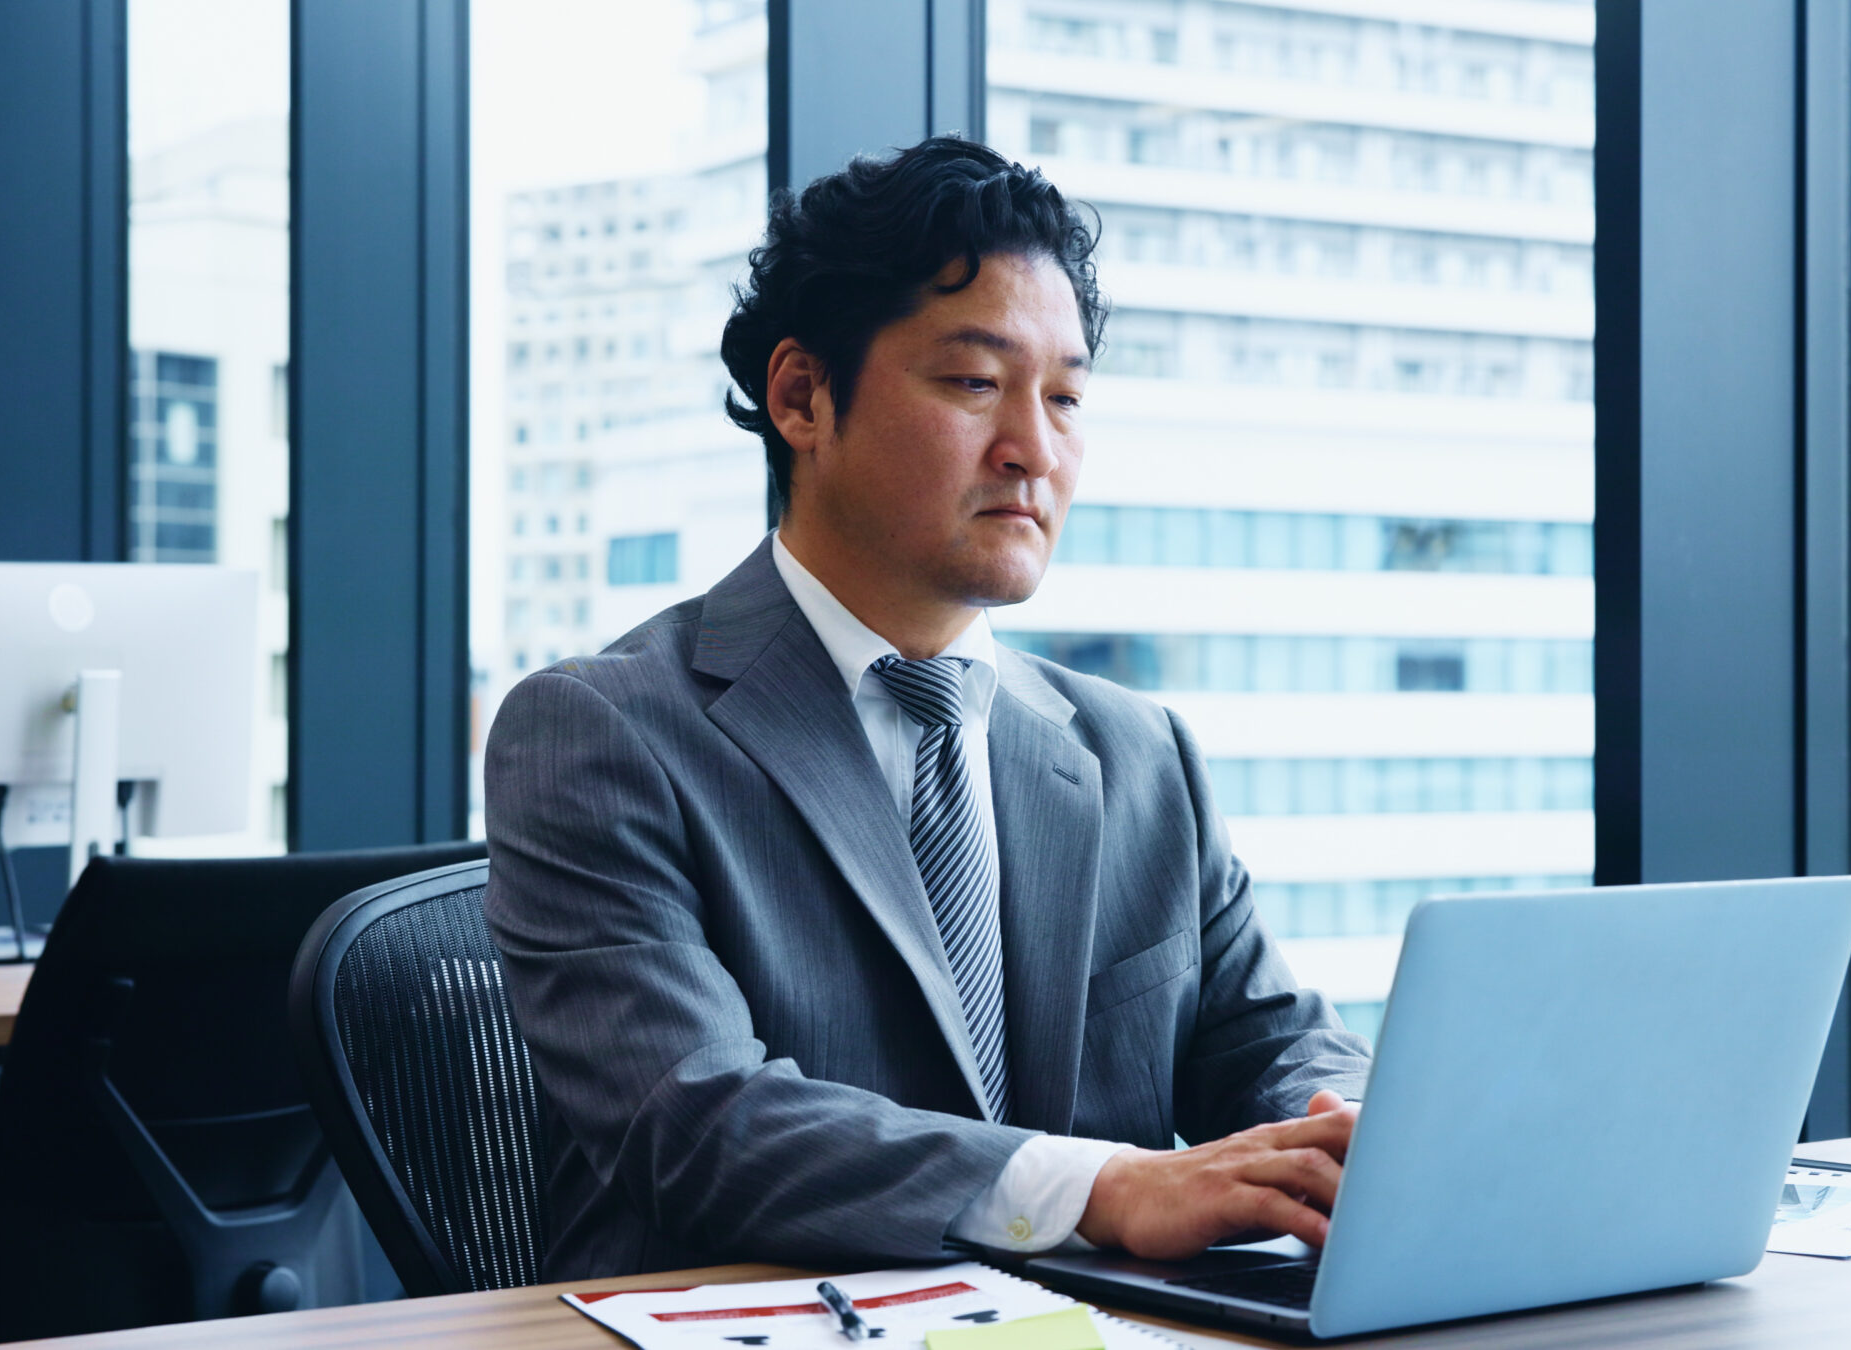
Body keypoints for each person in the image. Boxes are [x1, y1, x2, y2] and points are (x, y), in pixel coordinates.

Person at [486, 138, 1373, 1281]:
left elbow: (1269, 1040)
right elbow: (696, 1126)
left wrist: (1352, 1138)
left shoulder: (1137, 752)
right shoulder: (603, 732)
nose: (1034, 451)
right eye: (974, 383)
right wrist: (1102, 1186)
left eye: (1064, 396)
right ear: (802, 397)